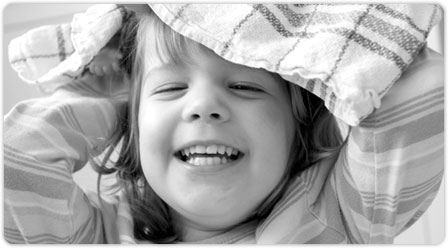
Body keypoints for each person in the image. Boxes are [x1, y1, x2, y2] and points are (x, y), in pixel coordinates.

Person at [4, 4, 444, 244]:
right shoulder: (98, 237)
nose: (203, 107)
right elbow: (15, 157)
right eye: (171, 89)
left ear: (300, 126)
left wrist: (298, 41)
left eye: (245, 86)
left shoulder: (335, 221)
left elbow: (417, 83)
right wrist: (127, 112)